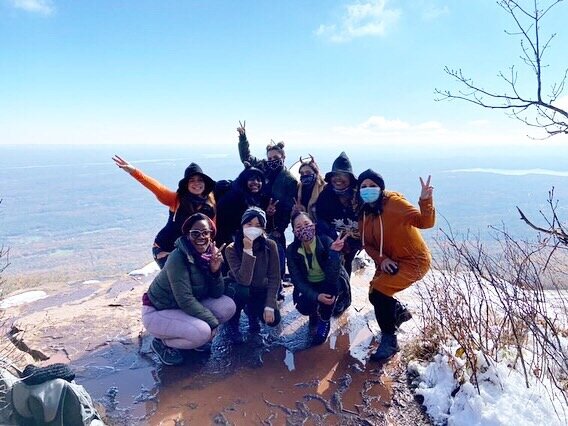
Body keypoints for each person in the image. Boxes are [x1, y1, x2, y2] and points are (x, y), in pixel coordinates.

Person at [357, 169, 435, 361]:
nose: (368, 190)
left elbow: (425, 222)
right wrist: (383, 260)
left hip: (414, 260)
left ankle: (390, 341)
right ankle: (399, 313)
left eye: (372, 186)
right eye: (364, 187)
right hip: (389, 260)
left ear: (381, 187)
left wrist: (425, 200)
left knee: (380, 291)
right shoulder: (364, 213)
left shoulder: (394, 204)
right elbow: (367, 244)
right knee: (374, 295)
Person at [141, 213, 236, 366]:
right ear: (187, 235)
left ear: (211, 234)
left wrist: (215, 271)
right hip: (158, 310)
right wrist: (212, 323)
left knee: (227, 306)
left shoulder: (211, 253)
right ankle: (161, 342)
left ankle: (191, 337)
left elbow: (216, 293)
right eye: (195, 233)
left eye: (205, 232)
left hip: (181, 308)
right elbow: (185, 299)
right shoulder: (178, 258)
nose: (201, 237)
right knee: (203, 332)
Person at [112, 155, 216, 268]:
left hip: (192, 251)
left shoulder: (210, 205)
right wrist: (133, 171)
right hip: (165, 249)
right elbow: (156, 187)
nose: (196, 184)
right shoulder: (176, 200)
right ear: (186, 185)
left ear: (205, 184)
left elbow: (212, 231)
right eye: (192, 181)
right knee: (178, 277)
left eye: (200, 180)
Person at [236, 121, 298, 294]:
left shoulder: (289, 180)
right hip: (258, 220)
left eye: (276, 159)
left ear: (283, 158)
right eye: (270, 158)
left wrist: (279, 228)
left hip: (276, 223)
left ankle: (276, 289)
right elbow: (246, 158)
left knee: (277, 254)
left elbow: (287, 207)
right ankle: (255, 286)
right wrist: (243, 138)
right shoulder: (263, 168)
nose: (272, 161)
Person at [286, 211, 351, 345]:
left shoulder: (327, 242)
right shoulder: (291, 250)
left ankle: (325, 320)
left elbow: (333, 275)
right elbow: (297, 280)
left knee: (330, 292)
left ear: (314, 225)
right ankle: (314, 314)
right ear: (293, 231)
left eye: (306, 224)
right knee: (304, 306)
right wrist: (316, 296)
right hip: (310, 284)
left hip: (329, 282)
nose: (303, 228)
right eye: (298, 227)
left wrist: (333, 254)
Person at [224, 207, 281, 343]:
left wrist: (269, 305)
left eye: (258, 225)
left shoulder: (270, 245)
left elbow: (275, 277)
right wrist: (248, 250)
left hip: (260, 288)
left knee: (275, 320)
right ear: (242, 225)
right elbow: (244, 280)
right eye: (249, 224)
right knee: (242, 291)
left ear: (263, 229)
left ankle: (253, 313)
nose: (253, 228)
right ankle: (233, 322)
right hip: (238, 288)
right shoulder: (231, 249)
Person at [315, 152, 361, 277]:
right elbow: (320, 221)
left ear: (350, 178)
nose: (338, 179)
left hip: (355, 242)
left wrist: (352, 245)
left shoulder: (360, 198)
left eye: (343, 175)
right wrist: (334, 241)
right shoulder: (325, 196)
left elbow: (370, 223)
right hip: (333, 242)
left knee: (346, 269)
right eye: (335, 175)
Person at [215, 166, 269, 247]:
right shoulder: (233, 197)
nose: (256, 182)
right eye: (251, 179)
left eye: (259, 180)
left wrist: (268, 214)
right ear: (244, 181)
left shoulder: (255, 198)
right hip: (229, 242)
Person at [291, 155, 326, 220]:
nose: (305, 175)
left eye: (308, 172)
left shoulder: (324, 189)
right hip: (304, 224)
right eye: (302, 173)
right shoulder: (298, 188)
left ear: (315, 173)